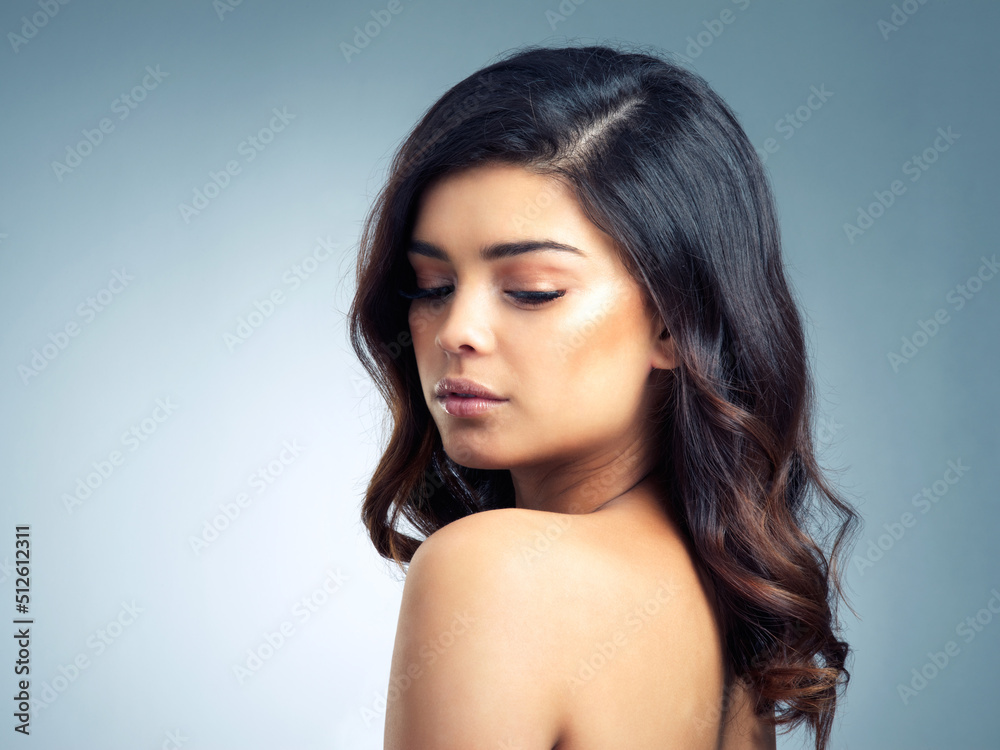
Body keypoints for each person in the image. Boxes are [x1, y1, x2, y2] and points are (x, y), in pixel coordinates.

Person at [348, 42, 859, 750]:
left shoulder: (492, 573)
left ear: (676, 323)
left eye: (532, 290)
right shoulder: (727, 612)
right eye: (432, 286)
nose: (456, 331)